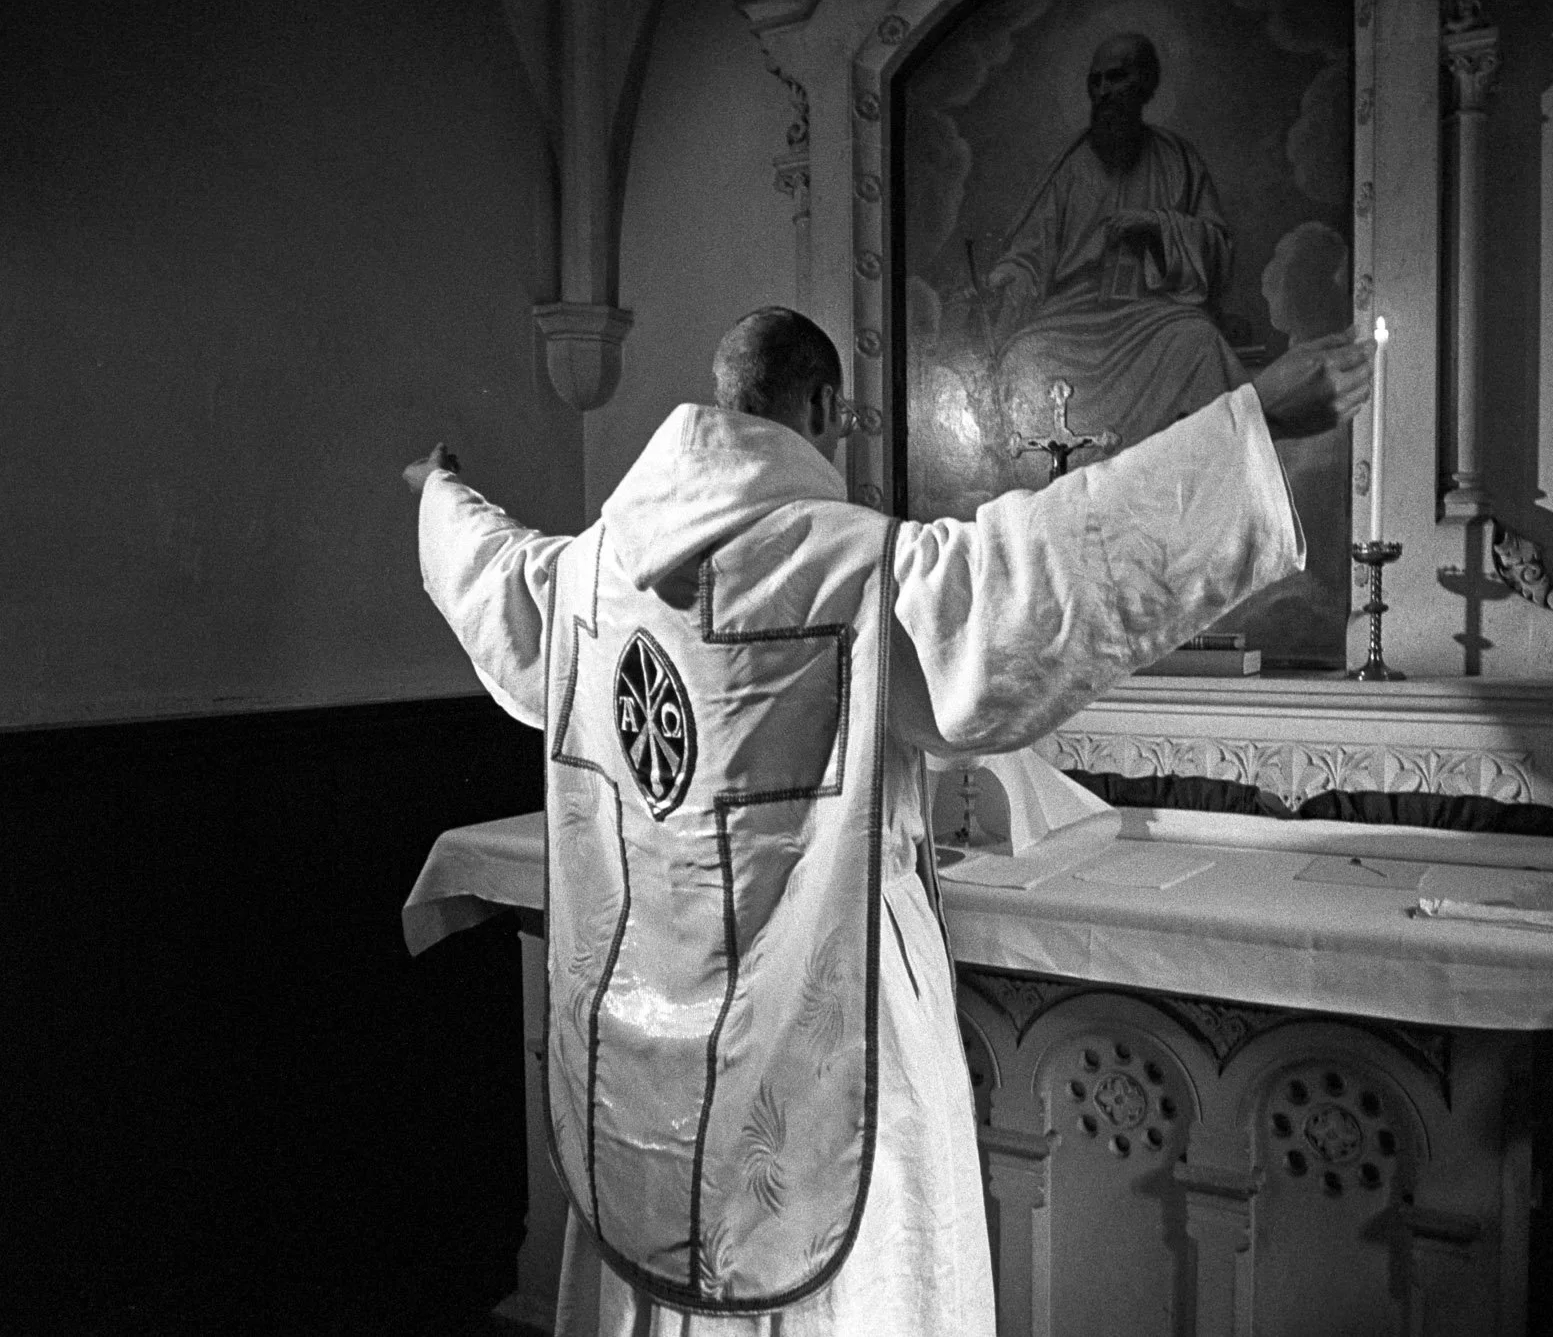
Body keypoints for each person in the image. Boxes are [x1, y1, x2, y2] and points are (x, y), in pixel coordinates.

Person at [404, 306, 1372, 1336]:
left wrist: (436, 493)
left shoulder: (588, 575)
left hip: (652, 1017)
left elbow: (487, 566)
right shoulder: (853, 569)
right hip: (832, 1001)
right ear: (823, 408)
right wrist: (1250, 426)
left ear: (727, 398)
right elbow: (1039, 569)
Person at [983, 32, 1241, 463]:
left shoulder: (1177, 159)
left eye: (1115, 78)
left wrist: (1159, 228)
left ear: (1145, 84)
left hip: (1153, 315)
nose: (1103, 91)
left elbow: (1217, 248)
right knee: (1020, 359)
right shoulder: (1072, 168)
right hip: (1075, 316)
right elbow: (1032, 253)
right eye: (1095, 81)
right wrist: (1010, 276)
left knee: (1201, 343)